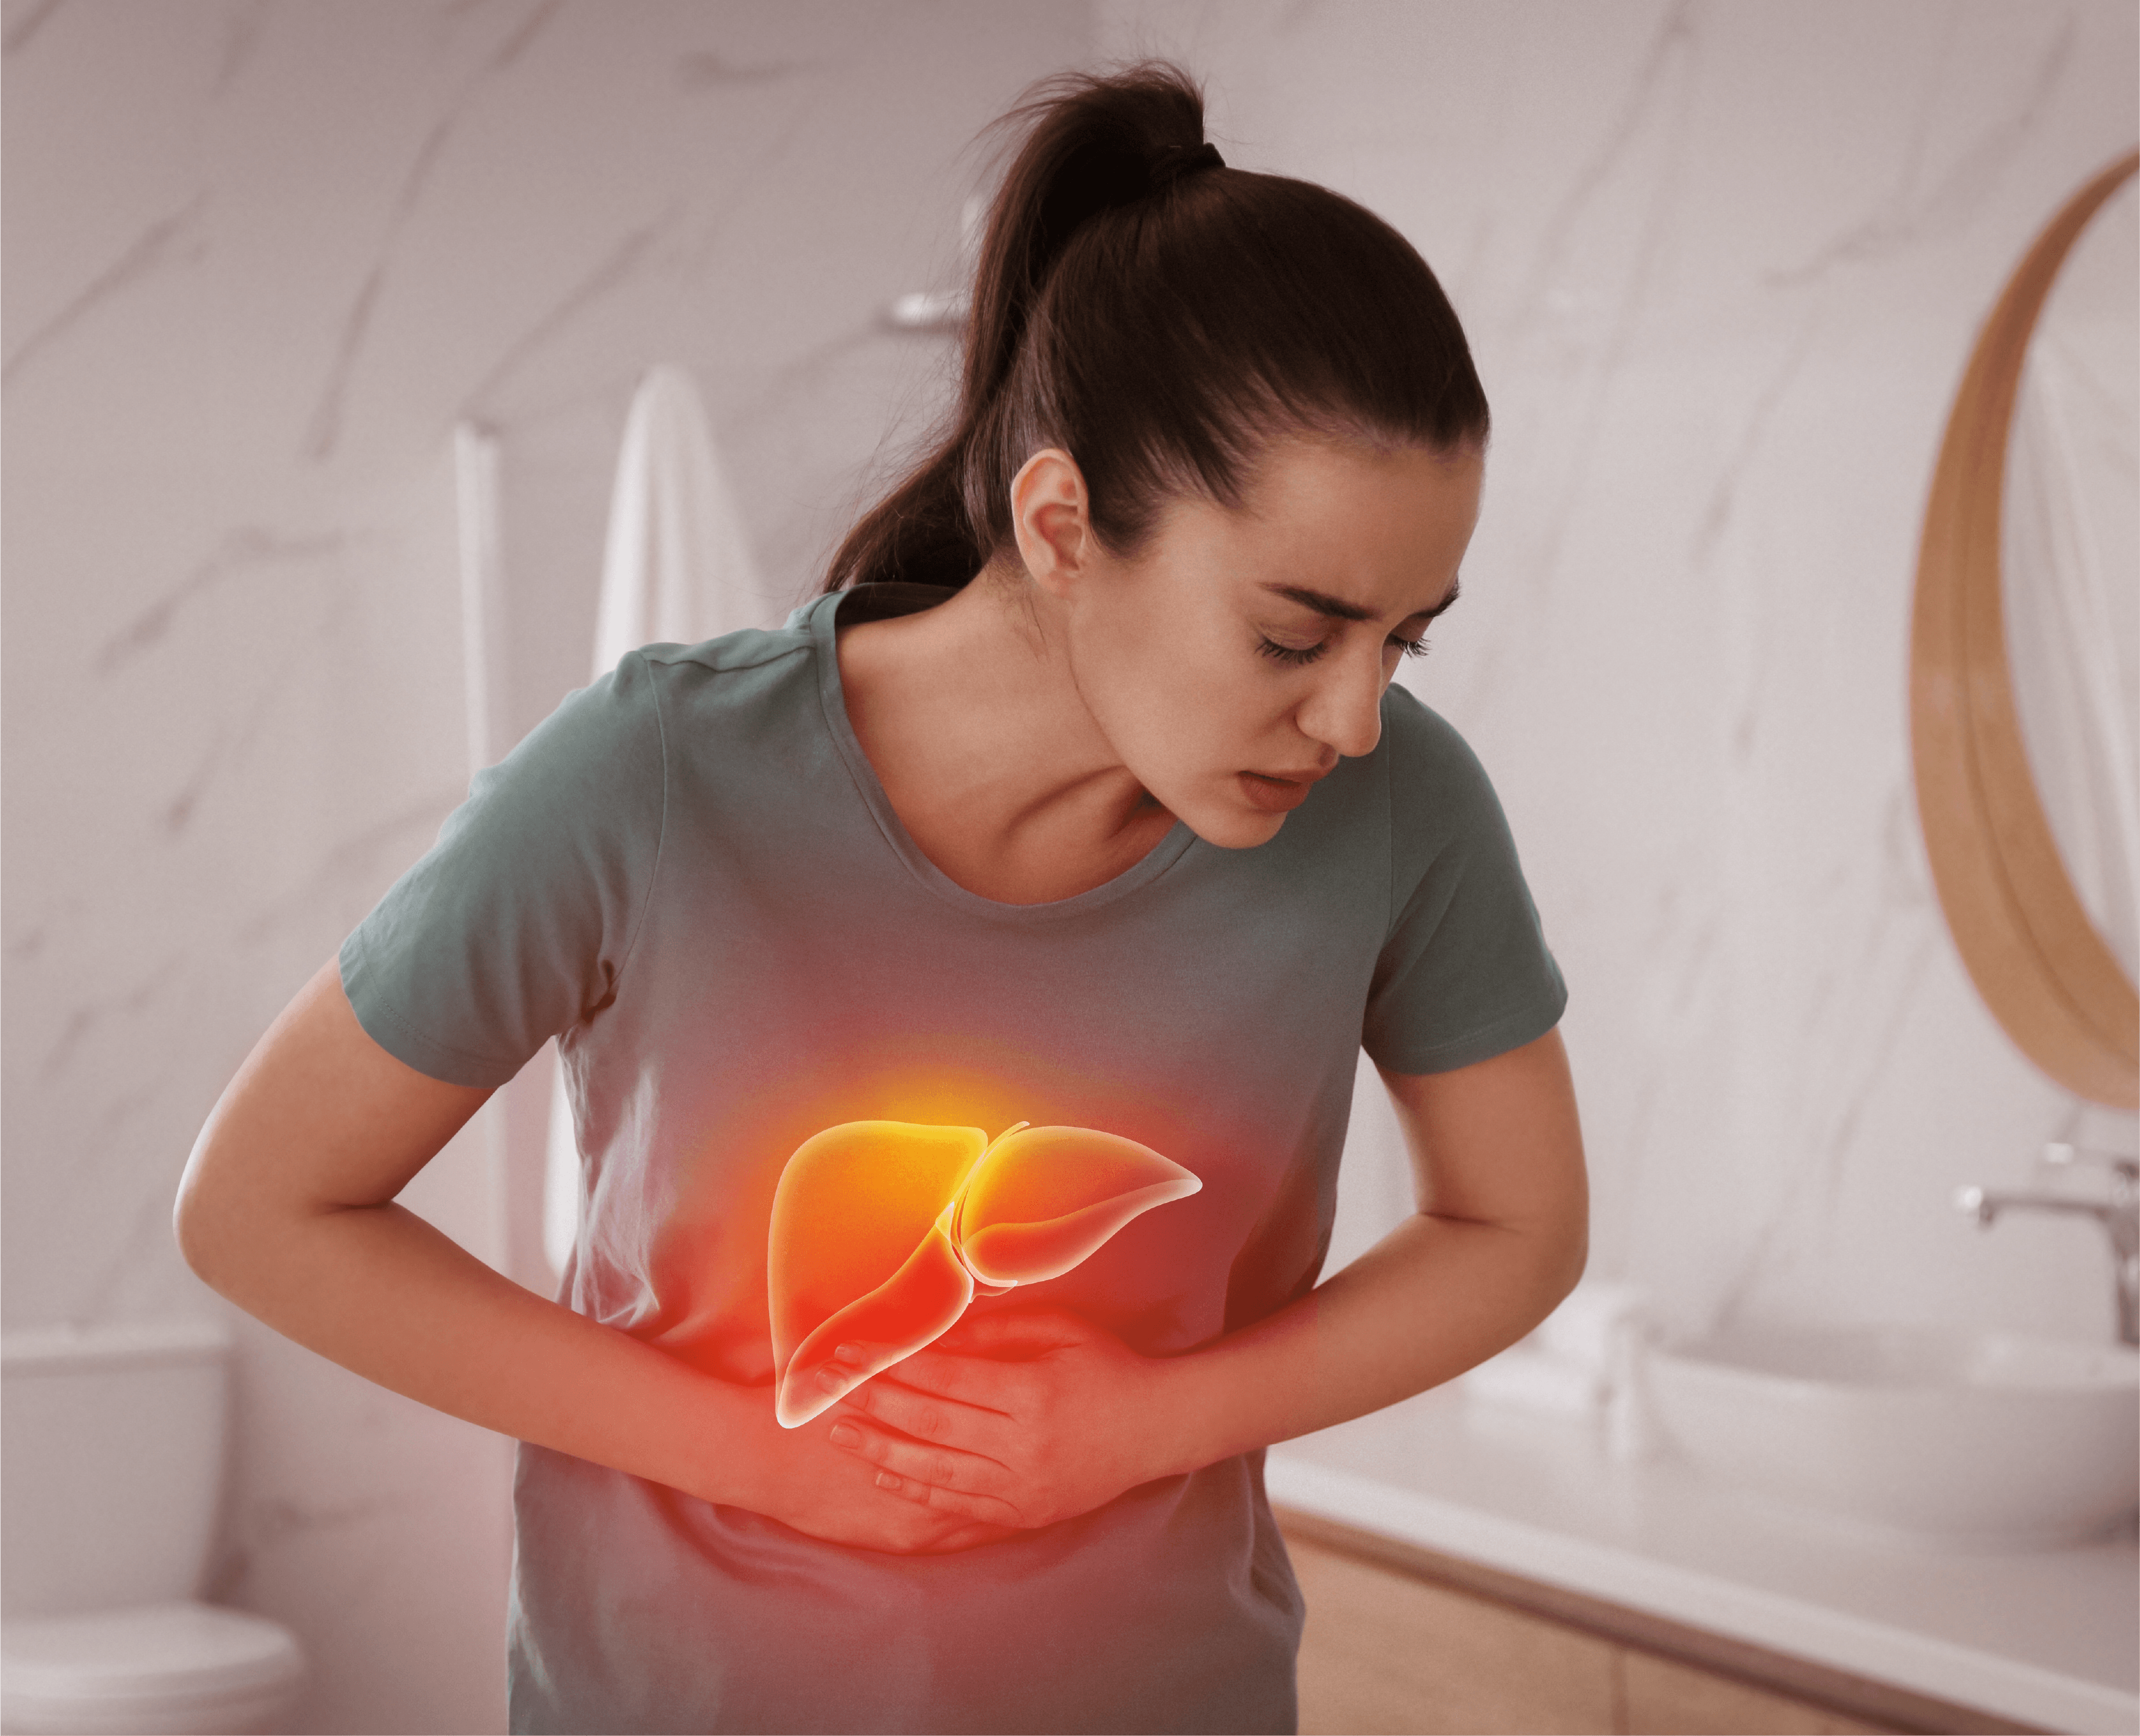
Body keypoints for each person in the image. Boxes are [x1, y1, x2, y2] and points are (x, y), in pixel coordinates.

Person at [175, 59, 1586, 1736]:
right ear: (1063, 524)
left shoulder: (1399, 815)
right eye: (1296, 634)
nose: (1355, 716)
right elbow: (260, 1206)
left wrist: (1142, 1422)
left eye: (1404, 639)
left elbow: (1519, 1228)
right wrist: (758, 1452)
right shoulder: (655, 776)